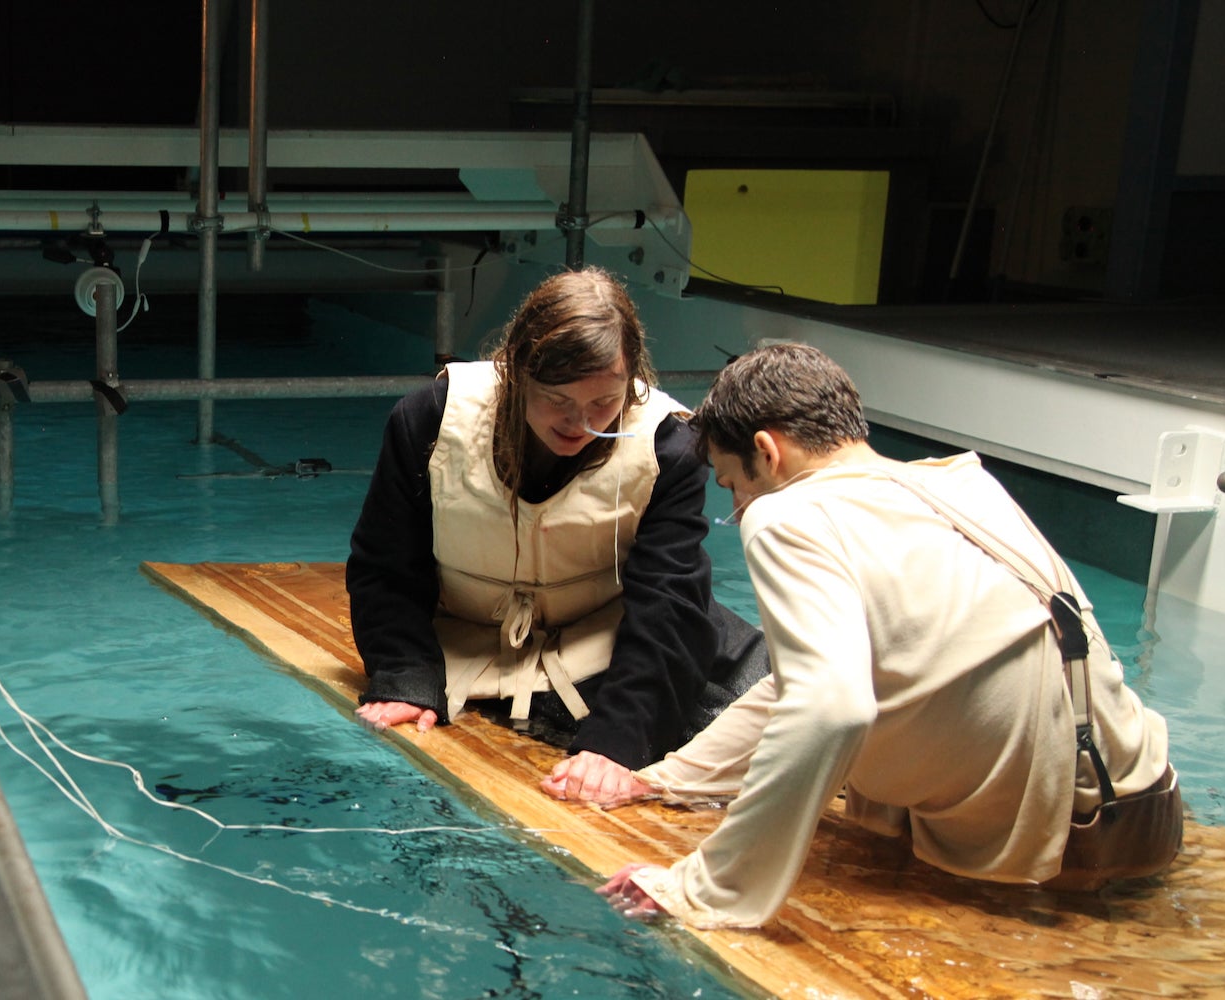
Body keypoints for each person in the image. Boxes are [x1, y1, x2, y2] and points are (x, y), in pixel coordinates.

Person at [586, 342, 1180, 929]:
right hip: (1144, 810)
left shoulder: (787, 514)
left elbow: (826, 708)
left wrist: (702, 887)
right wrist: (661, 780)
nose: (738, 510)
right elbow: (804, 684)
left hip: (1051, 850)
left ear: (766, 453)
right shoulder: (960, 485)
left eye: (731, 486)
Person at [346, 267, 767, 794]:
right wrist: (405, 676)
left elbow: (668, 605)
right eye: (558, 400)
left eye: (602, 403)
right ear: (516, 371)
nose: (580, 423)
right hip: (465, 633)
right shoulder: (429, 419)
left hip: (602, 633)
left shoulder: (668, 447)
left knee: (762, 699)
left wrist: (617, 742)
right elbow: (386, 565)